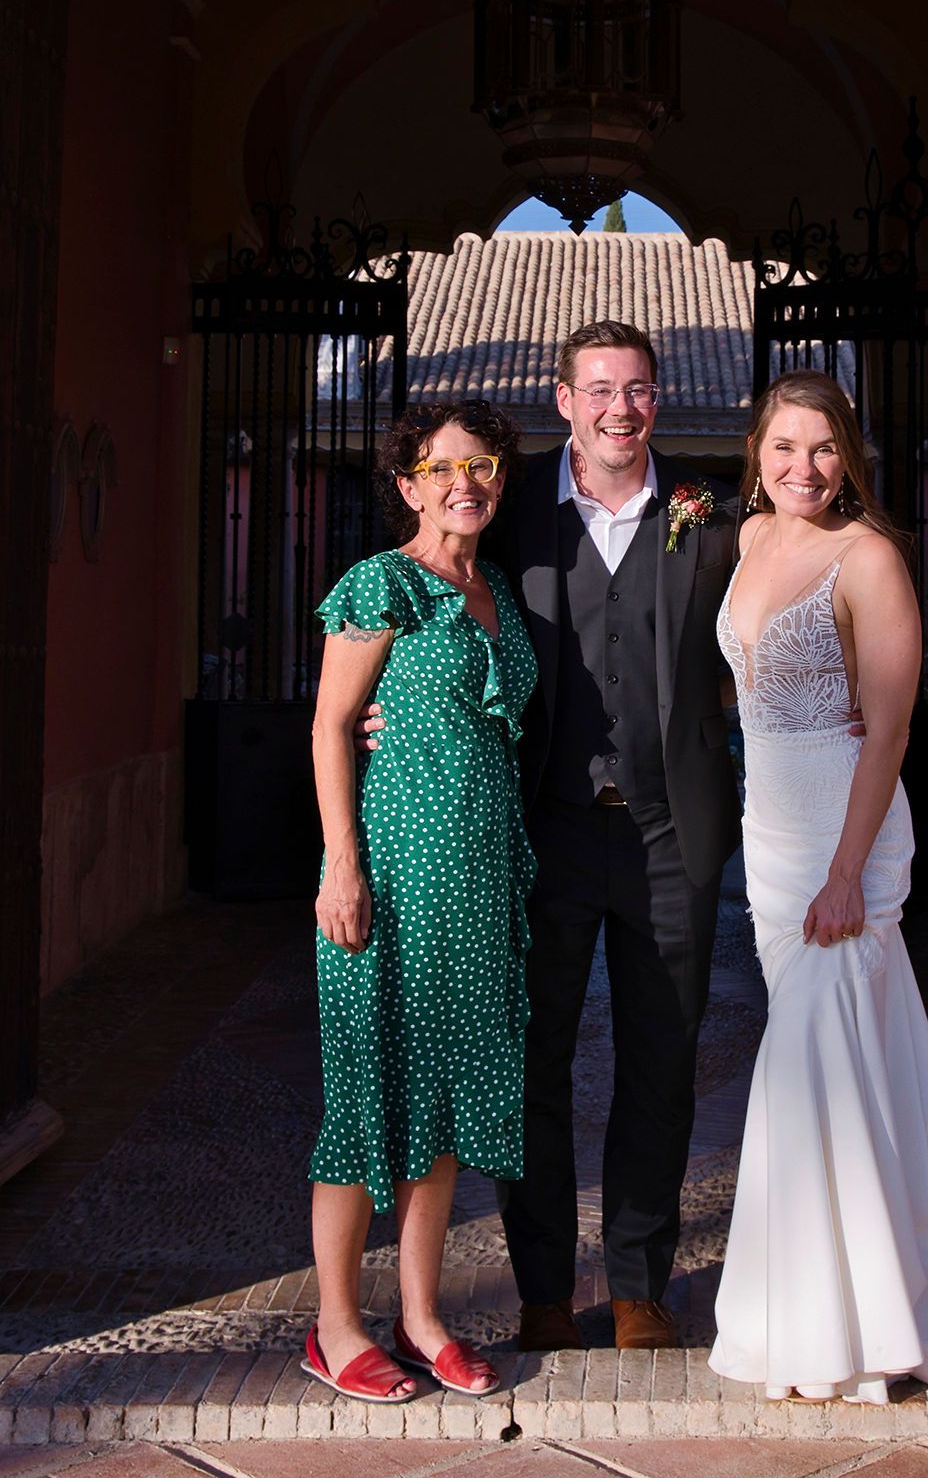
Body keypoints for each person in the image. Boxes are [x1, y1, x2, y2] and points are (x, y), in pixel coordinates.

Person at [360, 318, 743, 1352]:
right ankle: (539, 1285)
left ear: (656, 400)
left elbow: (781, 609)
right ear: (564, 400)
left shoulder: (714, 508)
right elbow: (427, 594)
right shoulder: (511, 505)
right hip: (540, 832)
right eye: (601, 389)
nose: (623, 407)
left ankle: (637, 1286)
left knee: (661, 1061)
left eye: (640, 389)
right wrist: (380, 699)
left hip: (672, 830)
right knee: (535, 1061)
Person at [708, 369, 928, 1404]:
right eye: (784, 446)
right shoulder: (747, 542)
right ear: (756, 450)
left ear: (850, 457)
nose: (802, 466)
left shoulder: (868, 556)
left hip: (847, 836)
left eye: (823, 447)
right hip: (768, 833)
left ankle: (863, 1322)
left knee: (815, 1069)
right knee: (835, 1072)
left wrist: (845, 871)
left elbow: (890, 728)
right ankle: (830, 1305)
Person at [303, 398, 537, 1404]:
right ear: (408, 484)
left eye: (480, 464)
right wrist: (340, 863)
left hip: (479, 887)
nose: (465, 482)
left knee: (441, 1105)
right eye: (442, 467)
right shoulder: (380, 581)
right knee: (367, 1101)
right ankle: (334, 1326)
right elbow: (329, 725)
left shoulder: (497, 594)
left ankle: (422, 1314)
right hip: (391, 877)